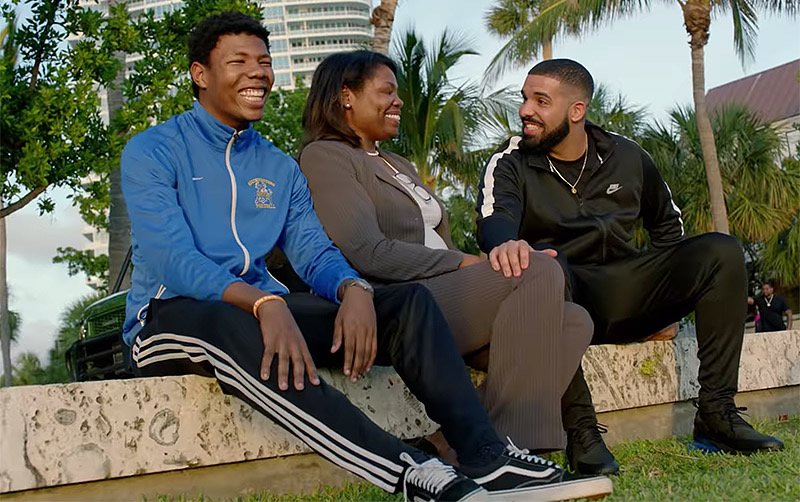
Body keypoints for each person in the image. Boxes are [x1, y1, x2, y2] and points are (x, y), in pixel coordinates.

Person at [121, 13, 612, 501]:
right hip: (170, 316)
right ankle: (414, 473)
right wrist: (262, 303)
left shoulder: (276, 165)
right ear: (200, 74)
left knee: (407, 304)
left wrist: (353, 288)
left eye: (264, 62)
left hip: (264, 309)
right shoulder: (153, 151)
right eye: (238, 62)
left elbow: (314, 250)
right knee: (230, 324)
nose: (257, 73)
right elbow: (172, 258)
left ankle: (487, 458)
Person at [475, 58, 785, 475]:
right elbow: (495, 223)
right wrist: (507, 243)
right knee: (543, 265)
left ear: (576, 110)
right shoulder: (509, 162)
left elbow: (668, 226)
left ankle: (717, 414)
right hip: (560, 306)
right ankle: (581, 431)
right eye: (525, 98)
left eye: (540, 101)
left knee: (722, 251)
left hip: (626, 290)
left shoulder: (625, 154)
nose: (525, 110)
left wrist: (670, 303)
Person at [297, 50, 594, 455]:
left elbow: (436, 242)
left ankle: (449, 446)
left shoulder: (397, 163)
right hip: (399, 304)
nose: (398, 101)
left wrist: (482, 267)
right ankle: (520, 449)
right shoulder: (326, 156)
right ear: (346, 96)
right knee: (536, 270)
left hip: (446, 295)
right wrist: (468, 263)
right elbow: (367, 251)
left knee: (573, 320)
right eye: (386, 92)